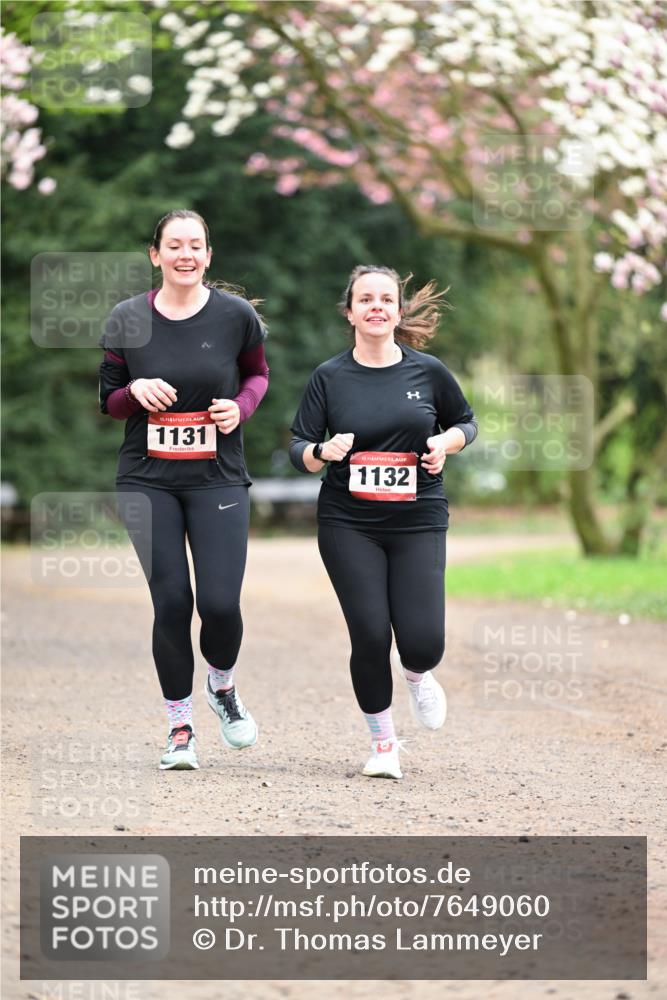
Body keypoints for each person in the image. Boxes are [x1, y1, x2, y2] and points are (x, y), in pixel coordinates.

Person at [289, 265, 477, 779]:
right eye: (365, 299)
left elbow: (466, 422)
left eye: (386, 299)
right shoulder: (329, 377)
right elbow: (299, 446)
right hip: (348, 521)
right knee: (371, 634)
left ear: (398, 311)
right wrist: (322, 451)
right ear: (349, 312)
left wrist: (445, 443)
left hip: (418, 518)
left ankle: (417, 675)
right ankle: (384, 744)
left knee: (423, 642)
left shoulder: (428, 372)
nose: (376, 306)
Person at [99, 209, 269, 770]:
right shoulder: (127, 318)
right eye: (174, 245)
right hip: (147, 478)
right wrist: (135, 391)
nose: (185, 254)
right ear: (156, 255)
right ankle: (179, 727)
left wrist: (240, 407)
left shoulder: (236, 315)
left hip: (217, 476)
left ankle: (222, 685)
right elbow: (109, 400)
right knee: (172, 601)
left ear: (208, 255)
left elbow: (258, 374)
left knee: (220, 604)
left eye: (196, 245)